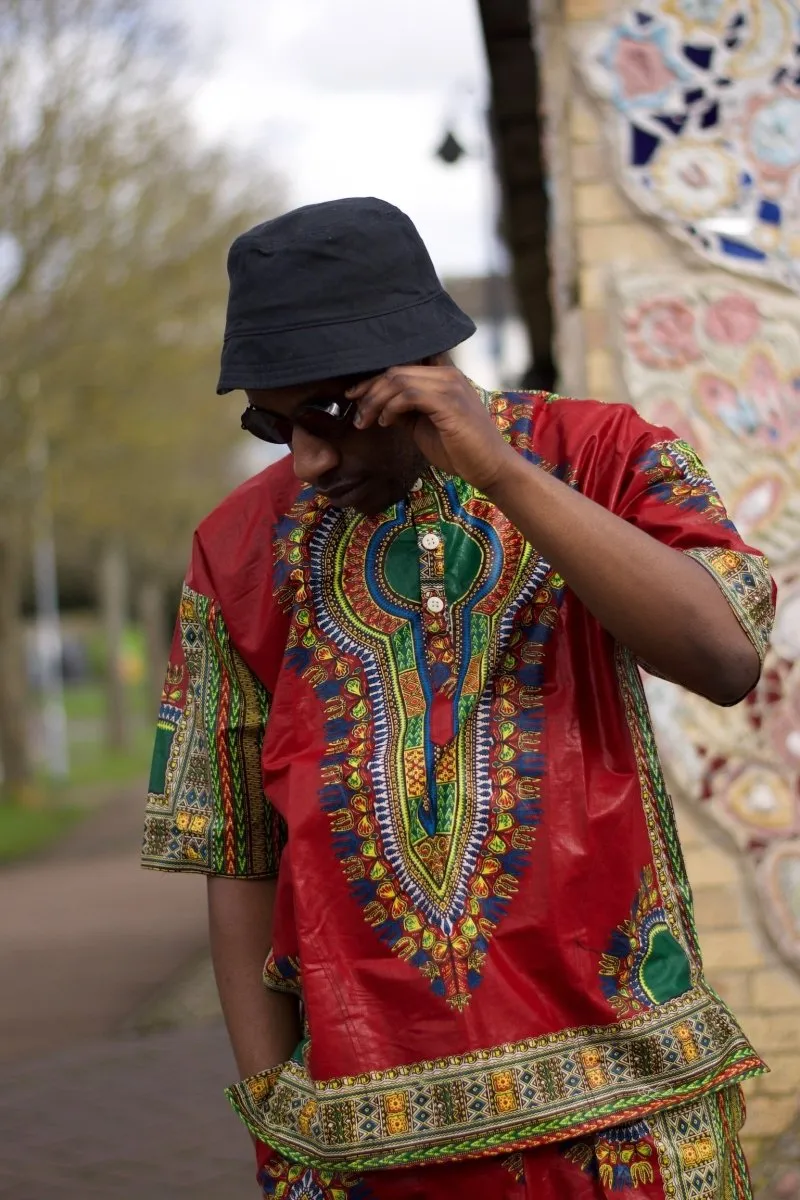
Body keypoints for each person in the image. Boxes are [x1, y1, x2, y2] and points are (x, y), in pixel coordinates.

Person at [142, 198, 775, 1199]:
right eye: (270, 422)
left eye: (325, 417)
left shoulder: (597, 456)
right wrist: (270, 1111)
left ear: (417, 376)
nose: (302, 458)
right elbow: (235, 850)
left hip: (625, 1115)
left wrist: (495, 470)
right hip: (365, 1138)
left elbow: (722, 655)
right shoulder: (233, 550)